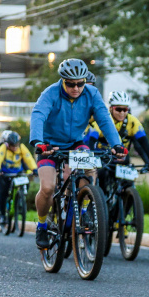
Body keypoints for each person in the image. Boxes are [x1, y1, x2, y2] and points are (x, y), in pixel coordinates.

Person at [30, 58, 127, 249]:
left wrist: (116, 144)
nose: (76, 88)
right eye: (71, 84)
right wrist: (38, 142)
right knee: (48, 188)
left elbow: (104, 118)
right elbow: (38, 115)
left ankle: (83, 210)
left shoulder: (92, 93)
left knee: (89, 171)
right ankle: (42, 225)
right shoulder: (50, 93)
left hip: (75, 143)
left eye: (80, 84)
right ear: (62, 81)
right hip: (49, 145)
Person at [84, 91, 149, 192]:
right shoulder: (104, 119)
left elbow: (143, 143)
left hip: (122, 157)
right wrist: (90, 155)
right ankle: (100, 197)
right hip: (103, 156)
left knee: (128, 182)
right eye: (118, 109)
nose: (122, 113)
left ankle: (127, 196)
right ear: (111, 108)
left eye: (125, 109)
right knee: (101, 175)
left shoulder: (133, 122)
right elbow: (91, 140)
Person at [0, 131, 37, 230]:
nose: (15, 147)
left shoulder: (21, 147)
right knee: (3, 193)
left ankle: (20, 199)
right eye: (12, 146)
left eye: (16, 145)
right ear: (8, 144)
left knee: (26, 183)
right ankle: (2, 215)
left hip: (18, 173)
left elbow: (28, 158)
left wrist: (34, 169)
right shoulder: (3, 148)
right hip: (5, 174)